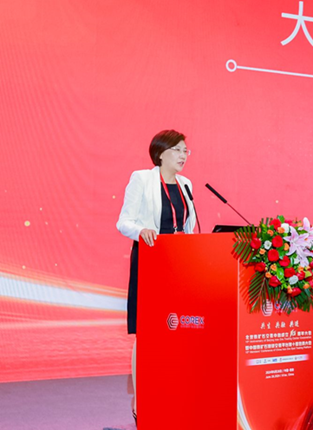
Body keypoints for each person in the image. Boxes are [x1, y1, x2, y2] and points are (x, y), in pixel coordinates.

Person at [116, 129, 196, 425]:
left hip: (179, 265)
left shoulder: (186, 184)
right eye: (178, 150)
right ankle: (141, 401)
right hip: (151, 261)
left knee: (177, 328)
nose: (183, 155)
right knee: (147, 332)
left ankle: (172, 394)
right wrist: (142, 231)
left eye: (186, 151)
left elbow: (187, 226)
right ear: (161, 153)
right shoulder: (142, 179)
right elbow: (123, 222)